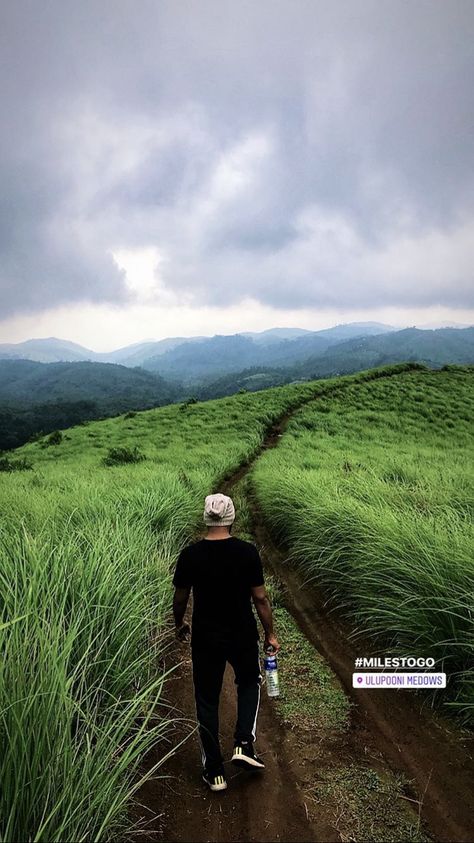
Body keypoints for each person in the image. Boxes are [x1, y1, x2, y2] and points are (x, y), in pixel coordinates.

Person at [172, 492, 280, 792]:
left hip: (206, 637)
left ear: (207, 518)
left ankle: (214, 771)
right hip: (242, 633)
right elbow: (260, 597)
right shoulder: (247, 553)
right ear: (231, 517)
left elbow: (180, 598)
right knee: (248, 682)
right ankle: (244, 744)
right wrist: (270, 633)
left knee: (207, 697)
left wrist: (179, 625)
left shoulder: (190, 556)